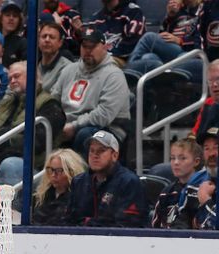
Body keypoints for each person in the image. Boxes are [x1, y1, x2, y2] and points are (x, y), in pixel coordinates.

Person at [52, 28, 131, 157]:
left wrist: (74, 126)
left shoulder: (114, 75)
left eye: (92, 47)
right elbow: (54, 99)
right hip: (68, 125)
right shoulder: (69, 70)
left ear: (105, 47)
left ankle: (81, 175)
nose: (88, 51)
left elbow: (103, 115)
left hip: (107, 129)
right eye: (84, 46)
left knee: (86, 135)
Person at [0, 61, 66, 185]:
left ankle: (10, 204)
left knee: (9, 164)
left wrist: (1, 157)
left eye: (16, 76)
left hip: (35, 168)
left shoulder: (50, 105)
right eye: (10, 78)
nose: (12, 81)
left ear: (33, 77)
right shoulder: (7, 102)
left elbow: (36, 143)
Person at [65, 130, 147, 227]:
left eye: (101, 150)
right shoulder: (79, 182)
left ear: (114, 156)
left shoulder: (129, 182)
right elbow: (69, 220)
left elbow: (127, 225)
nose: (95, 155)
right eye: (92, 150)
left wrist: (87, 223)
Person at [126, 0, 201, 76]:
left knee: (149, 37)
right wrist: (170, 16)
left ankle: (128, 70)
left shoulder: (203, 8)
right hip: (171, 48)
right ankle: (162, 83)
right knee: (148, 57)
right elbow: (162, 34)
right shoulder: (181, 11)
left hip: (187, 49)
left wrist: (181, 41)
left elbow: (201, 38)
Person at [151, 138, 209, 228]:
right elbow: (154, 228)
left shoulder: (203, 190)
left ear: (196, 161)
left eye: (183, 158)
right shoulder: (166, 193)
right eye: (172, 158)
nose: (176, 162)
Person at [32, 148, 86, 225]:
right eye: (50, 170)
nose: (53, 175)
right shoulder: (40, 196)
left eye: (59, 171)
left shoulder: (79, 198)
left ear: (71, 172)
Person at [89, 0, 146, 67]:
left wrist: (106, 55)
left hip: (123, 60)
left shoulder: (133, 11)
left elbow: (132, 45)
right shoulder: (95, 18)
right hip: (99, 59)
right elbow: (88, 45)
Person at [38, 20, 73, 92]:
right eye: (44, 36)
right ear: (38, 40)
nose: (47, 40)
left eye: (52, 37)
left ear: (60, 43)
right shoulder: (30, 66)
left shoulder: (68, 68)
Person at [0, 1, 26, 67]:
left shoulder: (23, 44)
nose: (11, 18)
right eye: (7, 15)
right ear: (1, 18)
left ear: (19, 21)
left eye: (15, 16)